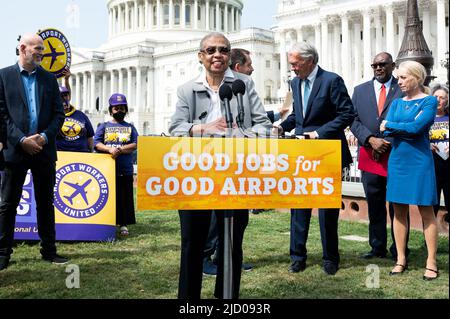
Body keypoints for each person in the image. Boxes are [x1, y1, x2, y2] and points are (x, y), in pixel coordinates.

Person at [169, 32, 272, 299]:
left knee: (232, 242)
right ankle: (188, 300)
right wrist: (204, 128)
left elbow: (263, 125)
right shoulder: (186, 90)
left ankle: (227, 298)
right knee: (193, 242)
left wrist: (241, 136)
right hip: (196, 175)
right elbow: (176, 130)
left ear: (229, 55)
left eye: (223, 50)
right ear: (201, 56)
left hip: (235, 174)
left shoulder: (244, 85)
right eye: (211, 50)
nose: (218, 55)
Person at [273, 42, 355, 275]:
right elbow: (300, 115)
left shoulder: (332, 80)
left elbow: (347, 113)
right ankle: (297, 256)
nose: (292, 68)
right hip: (302, 155)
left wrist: (318, 133)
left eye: (295, 64)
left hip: (327, 153)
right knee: (299, 207)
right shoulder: (295, 82)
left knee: (327, 209)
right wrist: (281, 126)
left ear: (310, 61)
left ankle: (330, 258)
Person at [0, 33, 67, 271]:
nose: (42, 52)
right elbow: (2, 115)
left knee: (45, 203)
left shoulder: (49, 79)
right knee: (8, 204)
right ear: (22, 48)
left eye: (43, 49)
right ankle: (3, 254)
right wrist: (21, 140)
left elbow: (59, 114)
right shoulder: (3, 76)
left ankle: (49, 251)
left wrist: (44, 136)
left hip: (44, 150)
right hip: (15, 152)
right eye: (37, 48)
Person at [380, 60, 439, 280]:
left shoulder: (429, 101)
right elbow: (385, 133)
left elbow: (416, 129)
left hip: (419, 162)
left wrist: (392, 126)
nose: (399, 81)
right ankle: (400, 259)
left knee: (426, 211)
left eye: (403, 77)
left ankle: (431, 261)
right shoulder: (396, 103)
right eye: (399, 78)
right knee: (399, 211)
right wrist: (399, 128)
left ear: (416, 77)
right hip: (398, 162)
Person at [350, 52, 410, 260]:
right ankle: (377, 247)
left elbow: (410, 119)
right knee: (374, 204)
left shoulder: (402, 90)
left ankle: (399, 249)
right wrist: (370, 140)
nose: (378, 68)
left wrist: (386, 142)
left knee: (398, 205)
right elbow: (353, 120)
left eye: (382, 64)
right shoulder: (360, 91)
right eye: (374, 65)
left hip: (396, 155)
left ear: (393, 65)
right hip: (369, 155)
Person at [94, 93, 138, 237]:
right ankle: (107, 222)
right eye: (116, 108)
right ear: (111, 110)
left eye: (122, 108)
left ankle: (123, 223)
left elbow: (136, 143)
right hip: (106, 169)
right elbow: (96, 143)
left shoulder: (130, 127)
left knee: (125, 197)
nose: (119, 111)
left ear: (126, 110)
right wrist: (109, 149)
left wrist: (120, 149)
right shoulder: (103, 126)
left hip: (125, 169)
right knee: (108, 196)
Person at [230, 48, 290, 124]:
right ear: (238, 67)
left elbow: (253, 117)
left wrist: (278, 114)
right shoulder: (228, 92)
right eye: (249, 65)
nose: (252, 69)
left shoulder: (244, 86)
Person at [56, 70, 94, 152]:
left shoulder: (81, 115)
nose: (63, 98)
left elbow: (90, 137)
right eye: (60, 96)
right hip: (61, 155)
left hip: (81, 155)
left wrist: (92, 153)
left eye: (65, 95)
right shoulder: (53, 116)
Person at [429, 84, 449, 220]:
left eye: (442, 98)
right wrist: (427, 145)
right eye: (436, 97)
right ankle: (429, 241)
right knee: (431, 206)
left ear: (446, 101)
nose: (439, 100)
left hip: (448, 166)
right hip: (431, 167)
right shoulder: (425, 118)